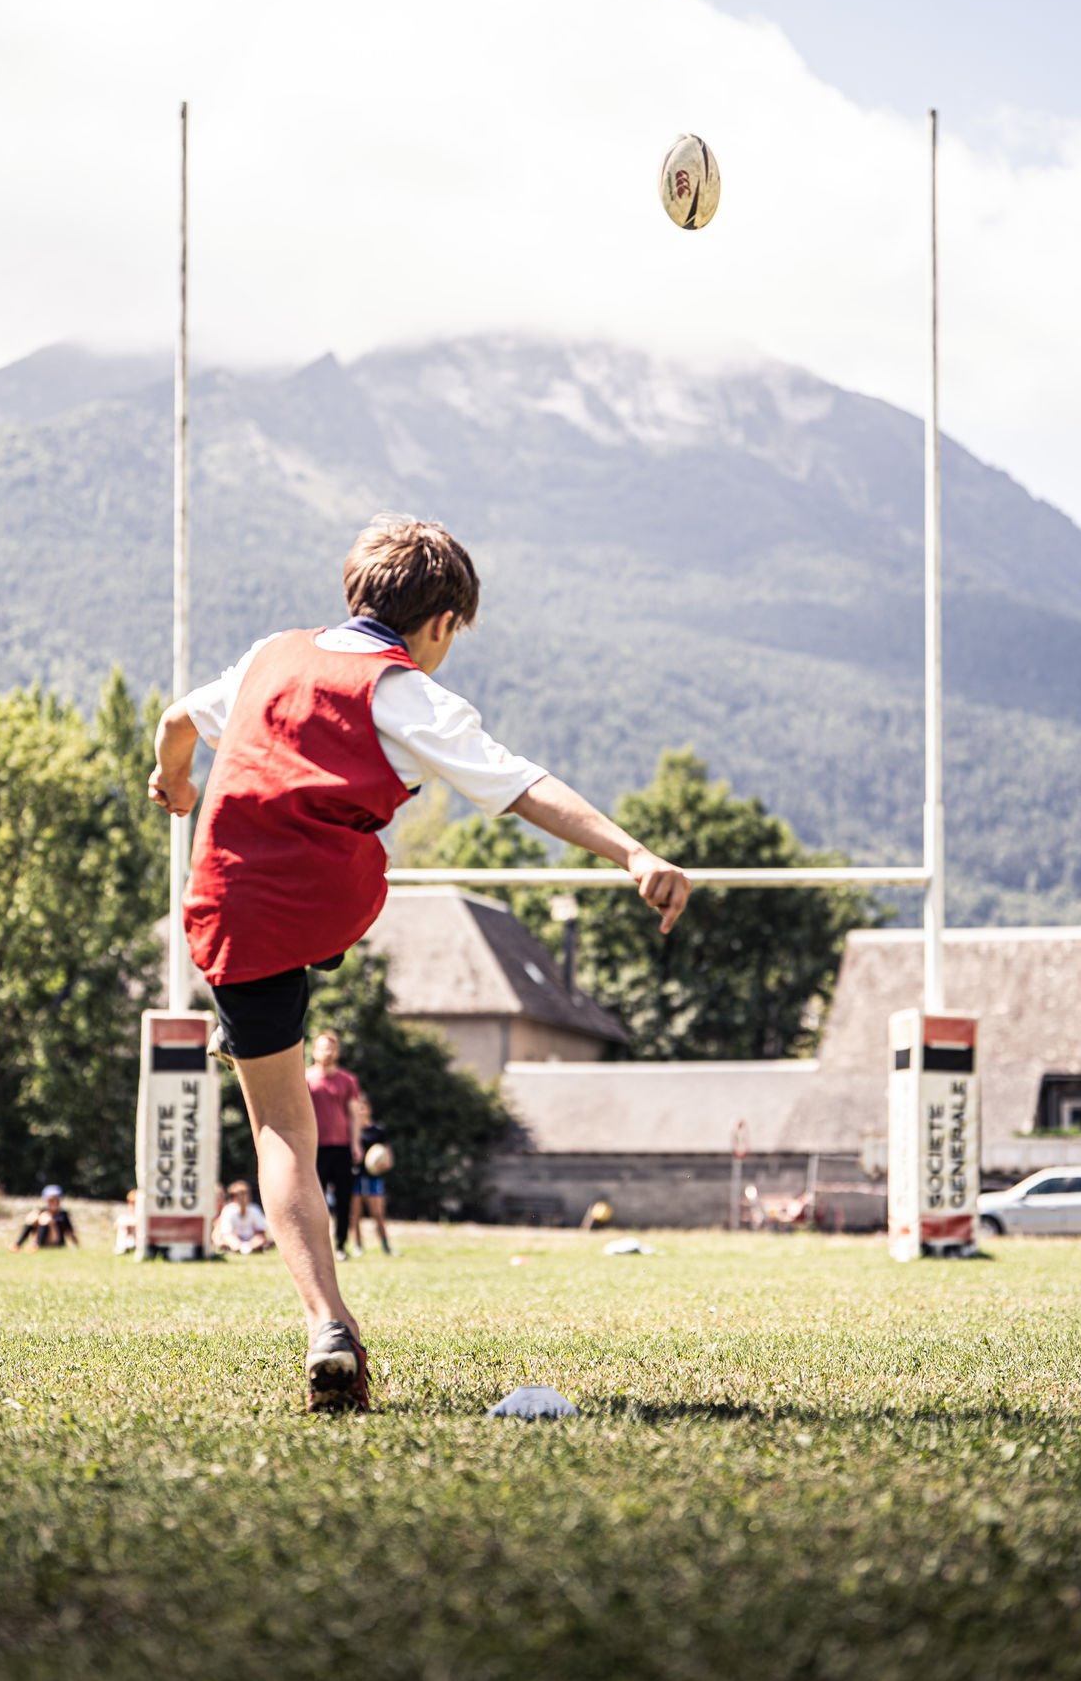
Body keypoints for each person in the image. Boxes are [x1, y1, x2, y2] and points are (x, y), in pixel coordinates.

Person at [148, 515, 690, 1413]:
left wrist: (176, 782)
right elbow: (522, 786)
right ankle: (330, 1322)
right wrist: (632, 852)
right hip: (321, 895)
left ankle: (328, 1323)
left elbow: (175, 722)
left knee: (279, 1128)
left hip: (230, 906)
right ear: (440, 625)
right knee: (351, 869)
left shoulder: (267, 658)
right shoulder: (403, 692)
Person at [304, 1032, 363, 1262]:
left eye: (330, 1048)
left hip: (341, 1147)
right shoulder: (305, 1078)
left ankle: (340, 1245)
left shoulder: (347, 1081)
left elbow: (354, 1115)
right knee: (314, 1199)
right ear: (314, 1051)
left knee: (343, 1200)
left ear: (337, 1052)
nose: (326, 1052)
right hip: (314, 1148)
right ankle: (315, 1247)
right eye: (322, 1048)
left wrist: (356, 1144)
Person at [350, 1096, 393, 1256]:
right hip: (355, 1176)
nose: (361, 1110)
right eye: (358, 1107)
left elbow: (388, 1154)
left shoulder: (378, 1131)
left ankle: (385, 1245)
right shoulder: (351, 1131)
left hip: (373, 1177)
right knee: (355, 1214)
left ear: (369, 1108)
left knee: (378, 1214)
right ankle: (357, 1246)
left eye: (364, 1106)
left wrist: (385, 1164)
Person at [212, 1180, 273, 1255]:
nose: (243, 1198)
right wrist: (239, 1245)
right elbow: (227, 1233)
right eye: (240, 1195)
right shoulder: (228, 1210)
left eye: (245, 1194)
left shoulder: (254, 1209)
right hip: (233, 1240)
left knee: (264, 1240)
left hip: (252, 1240)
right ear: (233, 1197)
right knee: (221, 1240)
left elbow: (260, 1232)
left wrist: (252, 1244)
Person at [12, 1185, 79, 1250]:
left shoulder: (62, 1215)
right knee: (33, 1217)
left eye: (55, 1200)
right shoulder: (41, 1212)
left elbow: (70, 1232)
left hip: (56, 1242)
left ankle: (37, 1245)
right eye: (50, 1200)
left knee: (46, 1219)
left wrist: (77, 1245)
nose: (53, 1202)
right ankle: (18, 1244)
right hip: (43, 1240)